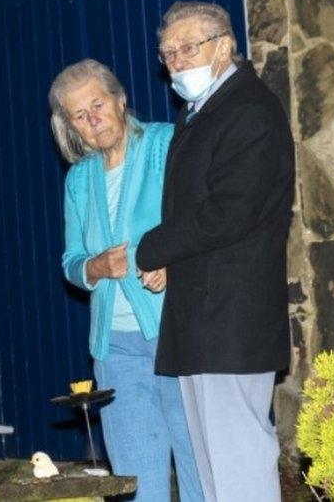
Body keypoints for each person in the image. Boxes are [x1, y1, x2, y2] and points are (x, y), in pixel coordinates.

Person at [135, 1, 295, 502]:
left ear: (225, 45)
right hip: (201, 319)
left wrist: (152, 245)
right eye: (167, 54)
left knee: (239, 465)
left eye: (188, 47)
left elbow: (231, 211)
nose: (177, 62)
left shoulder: (249, 110)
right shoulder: (198, 113)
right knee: (211, 475)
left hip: (232, 319)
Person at [54, 59, 203, 502]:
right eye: (79, 115)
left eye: (98, 104)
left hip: (178, 334)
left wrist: (173, 261)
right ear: (71, 127)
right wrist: (94, 267)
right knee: (137, 479)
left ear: (120, 100)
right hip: (115, 348)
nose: (92, 119)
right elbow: (71, 262)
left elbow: (204, 220)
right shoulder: (79, 179)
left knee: (199, 463)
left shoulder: (167, 143)